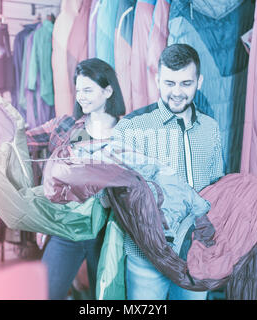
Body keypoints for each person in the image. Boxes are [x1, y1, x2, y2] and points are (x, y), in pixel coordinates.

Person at [113, 43, 224, 300]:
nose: (177, 92)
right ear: (157, 80)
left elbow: (216, 187)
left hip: (195, 257)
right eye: (169, 83)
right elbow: (113, 195)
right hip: (146, 258)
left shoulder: (211, 128)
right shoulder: (131, 128)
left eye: (186, 83)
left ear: (200, 81)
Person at [26, 58, 126, 300]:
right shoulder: (66, 125)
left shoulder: (127, 132)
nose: (81, 96)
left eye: (88, 90)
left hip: (106, 233)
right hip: (67, 229)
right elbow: (24, 140)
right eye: (78, 90)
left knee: (103, 299)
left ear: (108, 90)